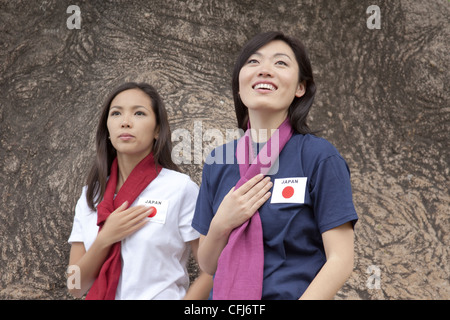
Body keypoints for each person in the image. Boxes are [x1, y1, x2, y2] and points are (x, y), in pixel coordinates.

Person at [192, 31, 358, 300]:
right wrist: (223, 221)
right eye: (253, 62)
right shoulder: (217, 160)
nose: (265, 70)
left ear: (300, 87)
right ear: (239, 84)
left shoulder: (319, 156)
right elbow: (208, 264)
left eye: (280, 63)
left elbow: (340, 260)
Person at [67, 82, 212, 300]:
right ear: (107, 129)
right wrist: (105, 238)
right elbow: (74, 286)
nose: (125, 122)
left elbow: (211, 269)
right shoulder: (92, 194)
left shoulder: (179, 188)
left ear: (157, 129)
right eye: (116, 113)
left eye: (139, 113)